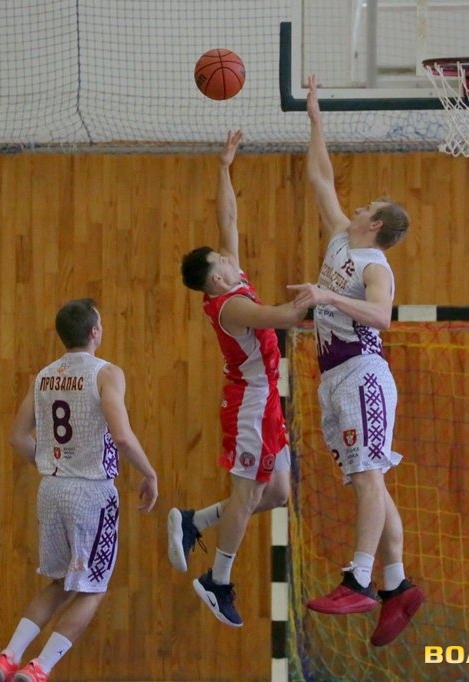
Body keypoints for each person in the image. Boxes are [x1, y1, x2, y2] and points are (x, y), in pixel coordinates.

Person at [286, 74, 423, 648]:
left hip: (363, 372)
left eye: (367, 206)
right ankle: (397, 585)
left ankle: (359, 579)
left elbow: (382, 318)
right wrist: (316, 117)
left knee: (368, 477)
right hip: (335, 377)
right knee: (371, 482)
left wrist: (326, 298)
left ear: (377, 225)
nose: (357, 206)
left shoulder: (375, 268)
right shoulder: (343, 236)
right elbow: (320, 177)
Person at [168, 129, 307, 628]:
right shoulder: (233, 306)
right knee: (249, 493)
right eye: (224, 260)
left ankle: (195, 520)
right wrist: (323, 299)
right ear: (217, 277)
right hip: (250, 403)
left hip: (265, 398)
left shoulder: (231, 279)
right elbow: (284, 317)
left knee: (277, 493)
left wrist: (224, 167)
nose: (231, 256)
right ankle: (218, 581)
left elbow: (228, 219)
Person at [0, 299, 158, 682]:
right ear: (94, 332)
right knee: (93, 588)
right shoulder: (106, 373)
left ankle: (8, 656)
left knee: (60, 582)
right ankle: (40, 667)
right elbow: (122, 437)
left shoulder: (44, 376)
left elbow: (17, 437)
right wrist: (149, 473)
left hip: (51, 489)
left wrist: (53, 465)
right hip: (91, 493)